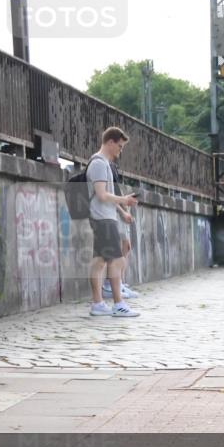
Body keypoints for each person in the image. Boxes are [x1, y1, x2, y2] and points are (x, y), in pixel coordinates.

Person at [86, 127, 140, 317]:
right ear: (110, 142)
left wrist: (121, 207)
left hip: (103, 216)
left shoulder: (102, 163)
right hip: (102, 218)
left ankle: (98, 304)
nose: (120, 150)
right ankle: (118, 304)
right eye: (119, 145)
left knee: (100, 261)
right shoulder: (100, 164)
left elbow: (104, 195)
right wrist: (124, 200)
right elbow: (101, 195)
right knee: (115, 260)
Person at [103, 157, 140, 300]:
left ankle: (119, 283)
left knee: (126, 246)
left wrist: (125, 203)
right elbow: (107, 194)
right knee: (119, 249)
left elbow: (115, 192)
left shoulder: (111, 165)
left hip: (118, 209)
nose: (121, 151)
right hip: (112, 211)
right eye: (119, 146)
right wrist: (122, 211)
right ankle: (111, 284)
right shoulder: (103, 165)